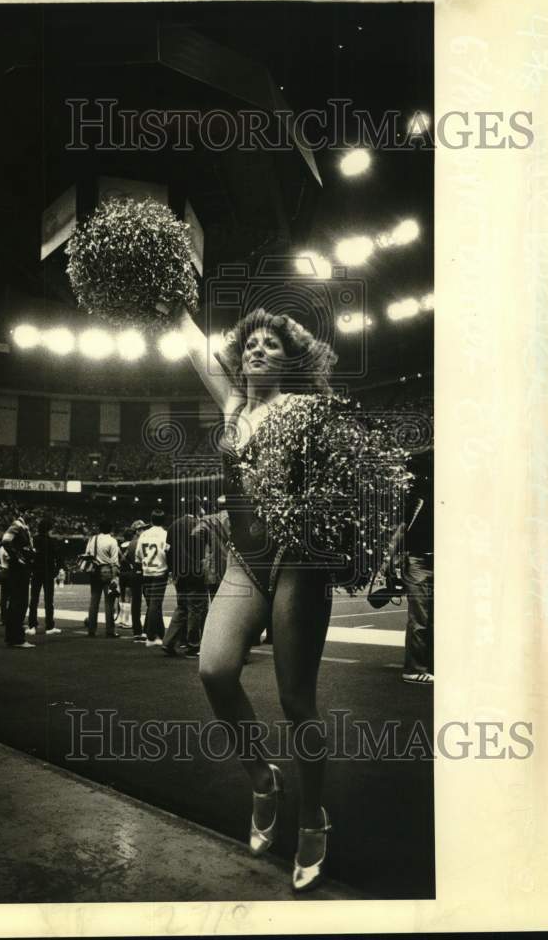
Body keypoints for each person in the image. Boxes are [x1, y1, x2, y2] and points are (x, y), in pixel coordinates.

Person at [177, 303, 338, 893]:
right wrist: (171, 294)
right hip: (247, 562)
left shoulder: (308, 408)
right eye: (250, 344)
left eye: (271, 344)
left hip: (299, 562)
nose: (257, 350)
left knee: (297, 702)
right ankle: (262, 777)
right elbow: (196, 348)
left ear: (289, 359)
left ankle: (313, 815)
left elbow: (347, 471)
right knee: (214, 669)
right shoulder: (233, 406)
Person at [386, 445, 434, 684]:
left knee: (426, 617)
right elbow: (402, 529)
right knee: (421, 617)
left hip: (425, 559)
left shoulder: (424, 495)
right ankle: (414, 668)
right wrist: (390, 560)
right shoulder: (419, 496)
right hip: (418, 560)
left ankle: (425, 665)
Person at [162, 496, 210, 657]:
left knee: (182, 607)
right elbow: (205, 550)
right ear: (198, 508)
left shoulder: (173, 526)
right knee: (196, 609)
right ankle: (193, 645)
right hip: (196, 572)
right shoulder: (200, 525)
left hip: (179, 573)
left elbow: (167, 551)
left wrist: (172, 571)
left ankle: (168, 642)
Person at [1, 508, 36, 648]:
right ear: (23, 513)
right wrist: (18, 557)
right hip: (19, 569)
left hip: (19, 568)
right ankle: (17, 638)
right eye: (30, 512)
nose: (32, 515)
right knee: (20, 602)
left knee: (17, 602)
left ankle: (12, 637)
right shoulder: (17, 525)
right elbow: (5, 540)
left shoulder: (23, 527)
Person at [136, 509, 170, 647]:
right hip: (160, 571)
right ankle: (150, 636)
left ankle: (160, 633)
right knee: (155, 604)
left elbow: (138, 554)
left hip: (146, 571)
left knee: (153, 604)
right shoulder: (164, 534)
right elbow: (168, 552)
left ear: (151, 520)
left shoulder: (144, 534)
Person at [84, 520, 121, 638]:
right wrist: (115, 577)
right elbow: (115, 562)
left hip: (94, 571)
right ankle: (110, 630)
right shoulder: (112, 541)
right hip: (107, 571)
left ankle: (91, 629)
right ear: (111, 529)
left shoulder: (92, 539)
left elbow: (87, 554)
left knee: (94, 601)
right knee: (109, 602)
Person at [27, 516, 61, 636]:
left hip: (36, 572)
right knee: (49, 601)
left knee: (34, 600)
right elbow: (58, 558)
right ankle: (49, 626)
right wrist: (56, 571)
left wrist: (31, 569)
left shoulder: (33, 539)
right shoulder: (52, 541)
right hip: (48, 573)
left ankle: (32, 625)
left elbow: (29, 556)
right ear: (48, 529)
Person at [120, 519, 147, 640]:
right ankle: (147, 629)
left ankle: (137, 630)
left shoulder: (131, 543)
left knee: (136, 603)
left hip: (134, 574)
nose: (144, 530)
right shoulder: (140, 542)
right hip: (143, 573)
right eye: (142, 529)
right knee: (149, 602)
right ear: (137, 531)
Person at [0, 540, 11, 626]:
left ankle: (4, 618)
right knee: (9, 597)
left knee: (4, 597)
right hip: (8, 571)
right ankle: (7, 618)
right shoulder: (6, 549)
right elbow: (9, 559)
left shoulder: (1, 548)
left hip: (4, 571)